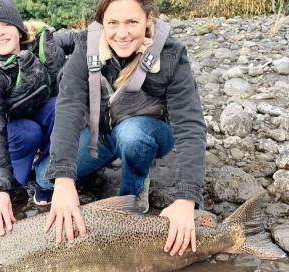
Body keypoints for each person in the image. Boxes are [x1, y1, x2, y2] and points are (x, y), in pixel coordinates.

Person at [37, 0, 207, 257]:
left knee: (133, 136)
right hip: (103, 133)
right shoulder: (87, 48)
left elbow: (190, 126)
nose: (122, 33)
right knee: (43, 179)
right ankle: (92, 175)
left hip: (147, 130)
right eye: (113, 23)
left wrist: (186, 198)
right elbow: (68, 109)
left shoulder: (172, 55)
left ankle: (133, 197)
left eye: (132, 22)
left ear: (148, 19)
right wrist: (63, 178)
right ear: (101, 22)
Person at [0, 0, 75, 236]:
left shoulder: (41, 41)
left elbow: (82, 38)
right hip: (10, 135)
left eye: (5, 24)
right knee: (26, 135)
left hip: (40, 114)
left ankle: (45, 181)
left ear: (19, 28)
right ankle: (14, 195)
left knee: (60, 106)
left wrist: (130, 37)